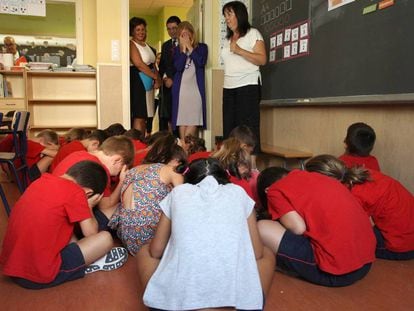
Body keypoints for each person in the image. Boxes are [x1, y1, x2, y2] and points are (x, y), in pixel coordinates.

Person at [137, 158, 275, 310]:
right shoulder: (238, 193)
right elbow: (256, 253)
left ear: (187, 179)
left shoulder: (178, 193)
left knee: (145, 251)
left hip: (176, 306)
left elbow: (156, 251)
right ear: (225, 177)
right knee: (266, 254)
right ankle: (249, 302)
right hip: (236, 306)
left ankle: (164, 299)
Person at [0, 161, 128, 289]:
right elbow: (91, 234)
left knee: (67, 227)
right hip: (36, 276)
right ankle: (87, 265)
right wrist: (88, 205)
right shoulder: (77, 192)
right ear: (88, 193)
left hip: (11, 266)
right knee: (105, 238)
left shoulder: (41, 181)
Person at [256, 166, 376, 287]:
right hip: (366, 263)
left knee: (262, 227)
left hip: (338, 273)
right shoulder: (316, 177)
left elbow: (298, 228)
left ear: (267, 190)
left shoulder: (274, 190)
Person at [305, 154, 414, 260]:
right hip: (407, 231)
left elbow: (349, 230)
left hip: (402, 245)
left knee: (340, 245)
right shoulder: (362, 174)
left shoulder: (350, 194)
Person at [108, 134, 186, 255]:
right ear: (176, 160)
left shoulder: (134, 170)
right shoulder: (170, 170)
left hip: (127, 237)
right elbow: (184, 201)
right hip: (149, 238)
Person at [52, 136, 135, 225]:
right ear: (117, 160)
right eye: (120, 169)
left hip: (52, 212)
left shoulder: (78, 154)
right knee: (119, 207)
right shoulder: (100, 169)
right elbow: (106, 207)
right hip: (65, 222)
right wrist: (122, 181)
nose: (118, 174)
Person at [220, 1, 266, 156]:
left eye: (229, 14)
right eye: (225, 15)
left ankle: (251, 167)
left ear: (239, 14)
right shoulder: (227, 40)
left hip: (248, 86)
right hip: (229, 87)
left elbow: (262, 59)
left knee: (248, 129)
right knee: (229, 128)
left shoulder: (253, 33)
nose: (226, 19)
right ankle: (230, 164)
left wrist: (240, 50)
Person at [171, 21, 208, 141]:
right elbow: (178, 67)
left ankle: (187, 151)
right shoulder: (176, 51)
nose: (186, 38)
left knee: (193, 123)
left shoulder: (202, 48)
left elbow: (200, 62)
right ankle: (184, 152)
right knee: (182, 123)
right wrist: (183, 50)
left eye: (188, 34)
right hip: (181, 93)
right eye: (183, 35)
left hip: (195, 92)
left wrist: (191, 48)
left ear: (192, 34)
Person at [129, 17, 160, 134]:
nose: (141, 32)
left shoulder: (148, 46)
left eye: (143, 29)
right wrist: (155, 77)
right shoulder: (131, 44)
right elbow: (139, 64)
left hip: (149, 84)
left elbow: (153, 64)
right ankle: (137, 142)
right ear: (132, 31)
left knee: (147, 116)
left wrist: (158, 79)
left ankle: (143, 139)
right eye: (138, 30)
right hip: (138, 83)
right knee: (139, 115)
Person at [158, 15, 181, 132]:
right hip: (167, 86)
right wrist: (166, 78)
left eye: (174, 28)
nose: (172, 31)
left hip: (180, 85)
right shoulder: (166, 45)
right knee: (167, 115)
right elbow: (162, 65)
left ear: (180, 27)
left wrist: (174, 80)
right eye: (169, 28)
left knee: (179, 114)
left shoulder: (185, 43)